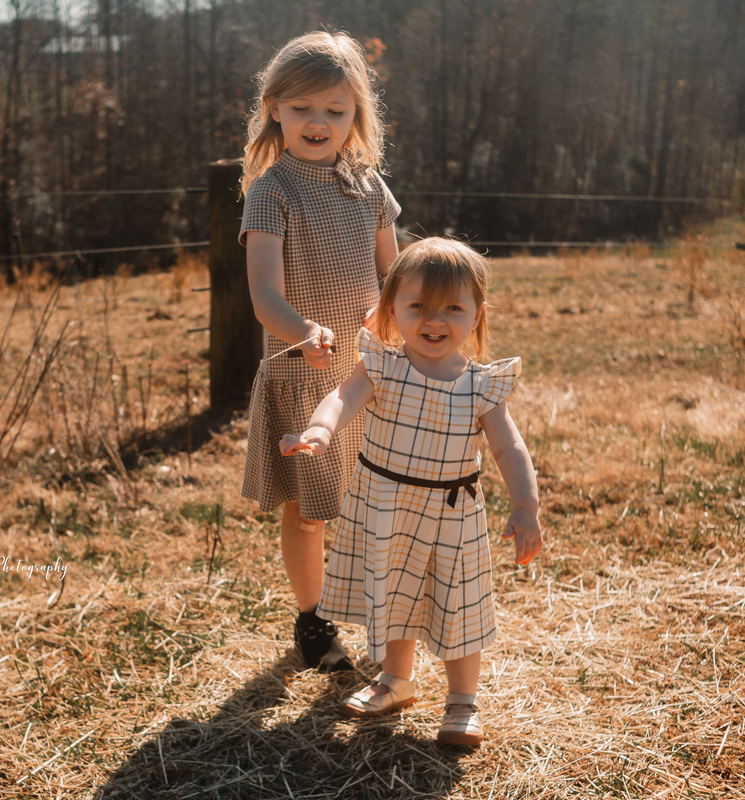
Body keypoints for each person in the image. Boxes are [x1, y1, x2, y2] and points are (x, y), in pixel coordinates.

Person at [279, 238, 543, 746]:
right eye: (417, 305)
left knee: (457, 606)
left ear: (476, 315)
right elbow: (342, 397)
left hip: (452, 514)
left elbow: (510, 449)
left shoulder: (481, 386)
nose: (433, 319)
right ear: (391, 308)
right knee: (393, 593)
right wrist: (319, 431)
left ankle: (462, 702)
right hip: (386, 506)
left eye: (452, 307)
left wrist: (526, 506)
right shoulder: (384, 365)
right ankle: (395, 680)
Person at [240, 31, 400, 672]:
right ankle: (313, 620)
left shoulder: (369, 186)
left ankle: (384, 615)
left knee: (376, 505)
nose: (318, 122)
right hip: (305, 374)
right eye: (304, 108)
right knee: (312, 514)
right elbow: (263, 296)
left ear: (355, 116)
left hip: (371, 374)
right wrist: (304, 331)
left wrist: (385, 315)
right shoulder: (271, 192)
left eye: (335, 111)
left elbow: (395, 276)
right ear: (276, 107)